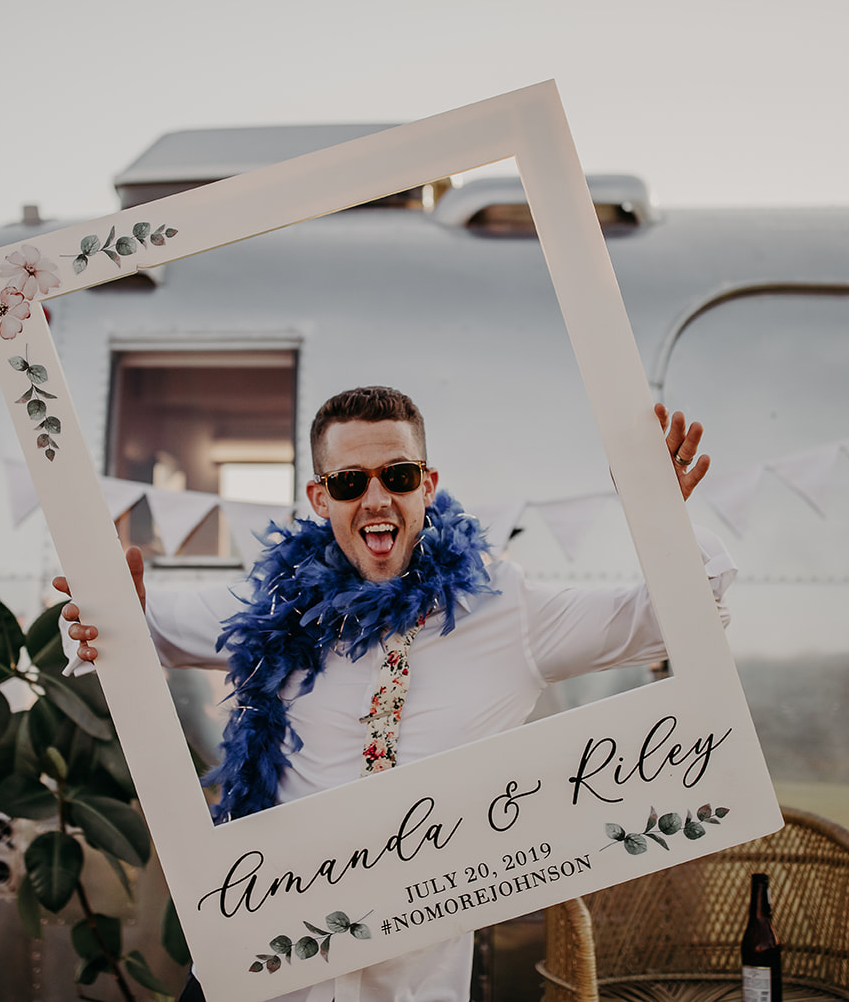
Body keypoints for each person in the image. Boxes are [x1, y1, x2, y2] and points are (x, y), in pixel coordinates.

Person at [55, 386, 732, 1002]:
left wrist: (657, 513)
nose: (375, 497)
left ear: (427, 487)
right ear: (321, 500)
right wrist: (103, 611)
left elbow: (678, 615)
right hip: (258, 977)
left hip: (407, 982)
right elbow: (135, 629)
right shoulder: (274, 605)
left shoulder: (508, 609)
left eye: (398, 476)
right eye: (350, 481)